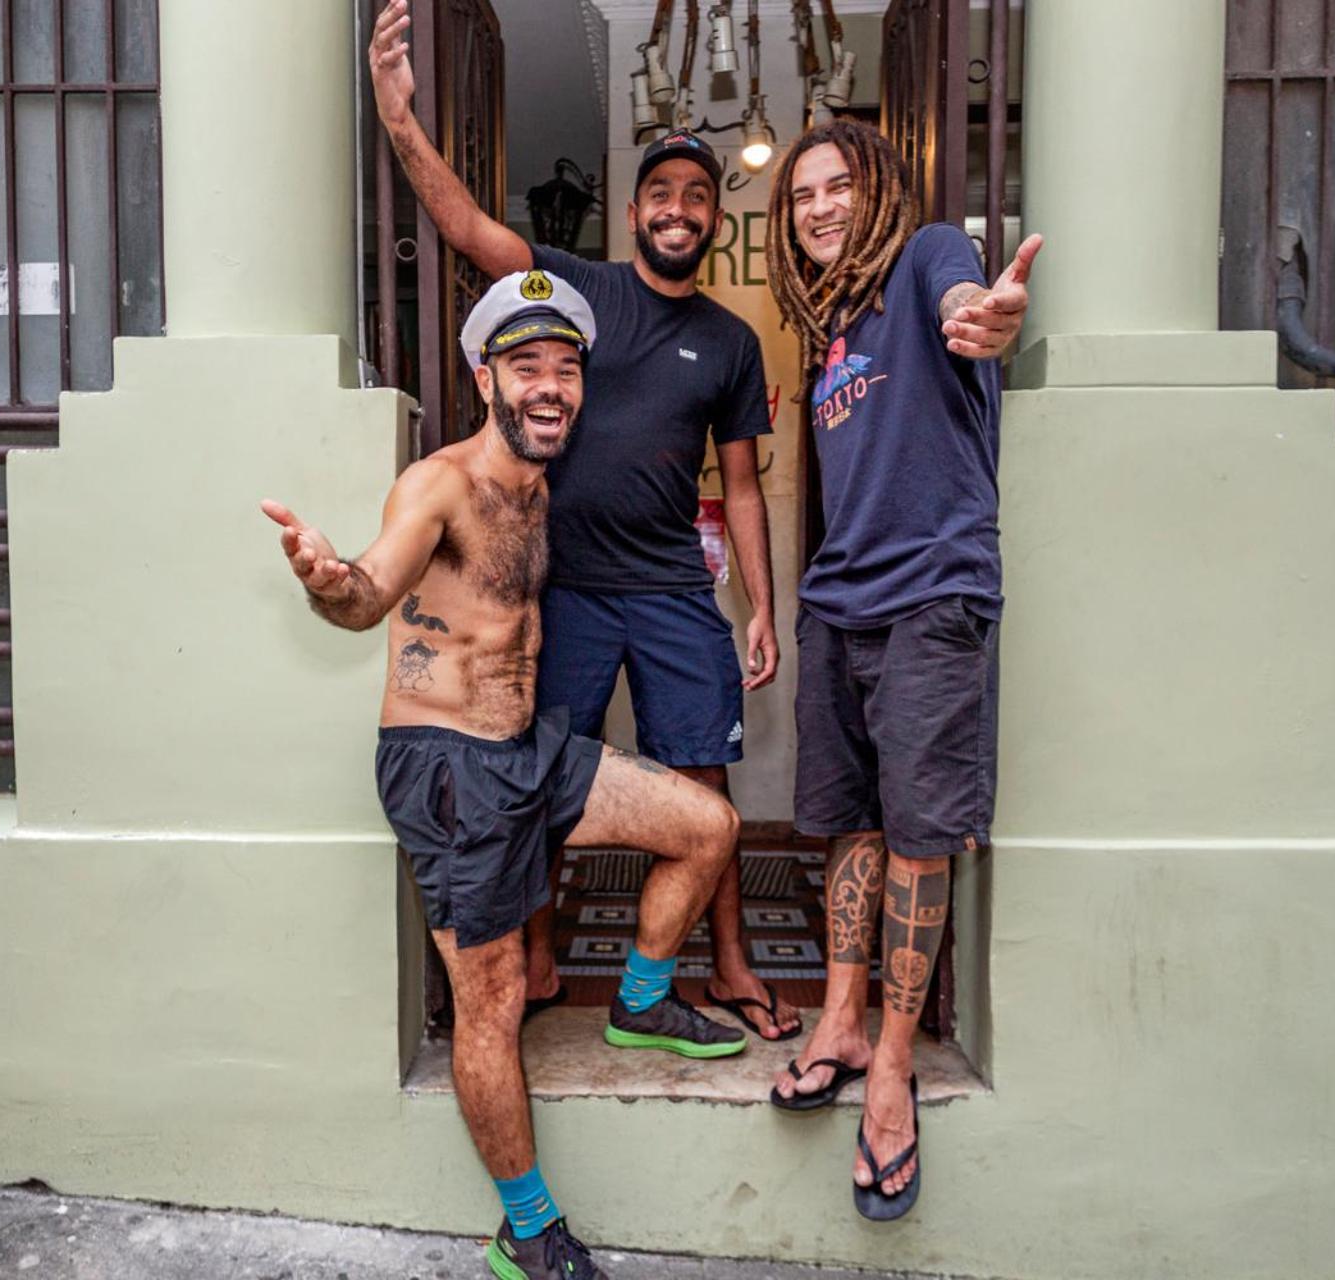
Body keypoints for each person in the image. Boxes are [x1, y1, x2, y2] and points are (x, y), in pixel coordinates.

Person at [262, 271, 746, 1279]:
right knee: (493, 1000)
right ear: (488, 376)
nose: (551, 386)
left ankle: (641, 997)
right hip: (448, 770)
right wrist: (329, 579)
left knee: (706, 824)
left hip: (528, 751)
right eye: (528, 367)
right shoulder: (441, 482)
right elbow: (372, 589)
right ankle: (528, 1227)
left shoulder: (540, 484)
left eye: (567, 369)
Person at [370, 0, 800, 1041]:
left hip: (670, 592)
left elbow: (739, 485)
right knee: (536, 767)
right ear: (636, 209)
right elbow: (470, 231)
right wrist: (399, 122)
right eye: (662, 190)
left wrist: (761, 606)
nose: (680, 207)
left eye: (699, 194)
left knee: (704, 778)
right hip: (562, 587)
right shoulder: (576, 289)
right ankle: (539, 955)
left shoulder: (732, 345)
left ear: (714, 217)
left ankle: (729, 960)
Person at [760, 119, 1042, 1221]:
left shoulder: (929, 254)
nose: (820, 207)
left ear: (879, 192)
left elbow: (972, 312)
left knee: (923, 832)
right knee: (849, 821)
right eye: (801, 195)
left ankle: (889, 1060)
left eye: (838, 187)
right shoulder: (827, 326)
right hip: (841, 602)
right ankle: (836, 1014)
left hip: (934, 594)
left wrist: (987, 318)